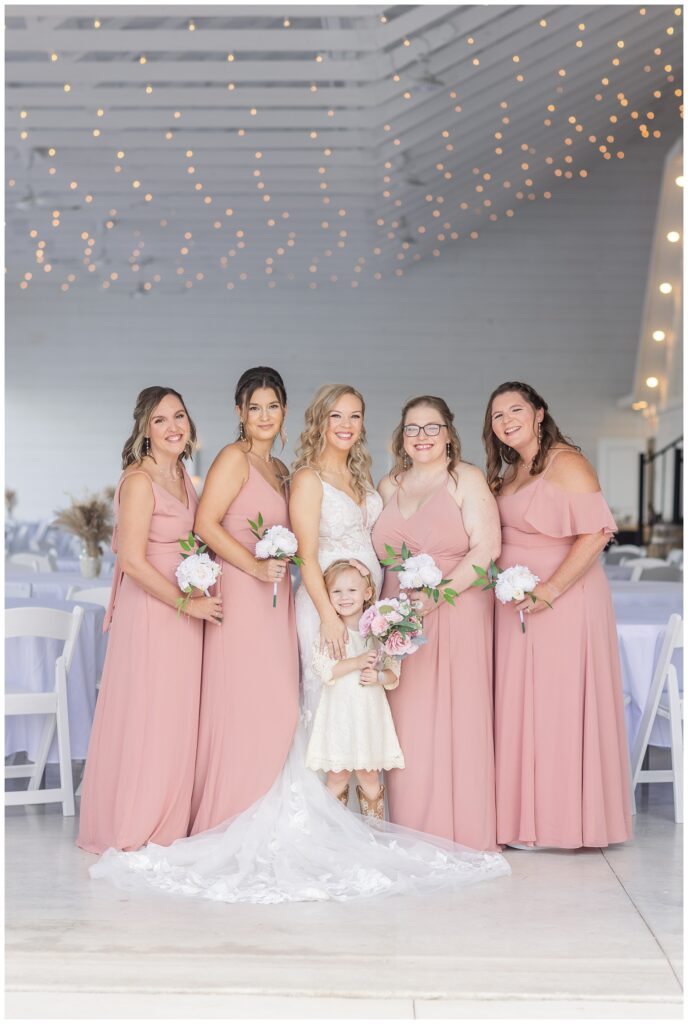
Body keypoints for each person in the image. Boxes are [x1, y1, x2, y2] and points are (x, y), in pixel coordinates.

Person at [89, 384, 509, 901]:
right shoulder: (304, 478)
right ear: (314, 419)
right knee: (321, 700)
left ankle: (357, 817)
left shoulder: (356, 477)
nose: (347, 424)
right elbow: (306, 553)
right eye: (336, 414)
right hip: (324, 607)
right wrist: (331, 616)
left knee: (359, 704)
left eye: (356, 415)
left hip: (362, 609)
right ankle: (311, 815)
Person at [484, 380, 633, 849]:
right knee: (520, 709)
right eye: (497, 415)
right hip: (517, 607)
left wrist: (550, 590)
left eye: (515, 410)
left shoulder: (567, 463)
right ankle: (521, 819)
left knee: (558, 708)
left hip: (564, 602)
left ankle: (565, 822)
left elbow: (595, 533)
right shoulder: (512, 470)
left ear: (539, 413)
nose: (507, 421)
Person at [77, 387, 222, 854]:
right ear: (145, 430)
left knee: (176, 718)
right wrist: (187, 604)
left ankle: (169, 822)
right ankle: (135, 823)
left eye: (179, 416)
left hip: (185, 610)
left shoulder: (185, 475)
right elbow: (134, 561)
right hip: (153, 612)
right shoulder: (138, 482)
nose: (173, 427)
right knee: (148, 714)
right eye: (161, 420)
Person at [372, 396, 501, 851]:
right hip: (398, 616)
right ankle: (409, 829)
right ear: (401, 436)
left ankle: (462, 829)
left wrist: (436, 595)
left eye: (432, 427)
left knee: (457, 716)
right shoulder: (389, 484)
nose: (422, 436)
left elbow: (487, 549)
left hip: (456, 606)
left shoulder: (464, 478)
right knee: (406, 720)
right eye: (413, 428)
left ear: (448, 432)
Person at [190, 367, 299, 833]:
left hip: (278, 600)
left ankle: (271, 808)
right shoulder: (233, 458)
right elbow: (205, 524)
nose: (264, 415)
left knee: (280, 702)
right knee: (244, 700)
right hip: (242, 595)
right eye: (254, 407)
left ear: (284, 411)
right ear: (239, 412)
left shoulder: (280, 468)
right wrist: (253, 567)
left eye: (272, 406)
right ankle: (234, 812)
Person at [305, 559, 404, 817]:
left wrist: (378, 677)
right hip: (339, 713)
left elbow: (394, 674)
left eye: (352, 590)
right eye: (336, 591)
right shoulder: (330, 633)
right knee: (337, 776)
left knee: (369, 775)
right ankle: (335, 833)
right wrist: (356, 662)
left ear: (367, 593)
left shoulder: (379, 633)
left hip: (369, 714)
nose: (344, 597)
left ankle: (375, 831)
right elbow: (325, 670)